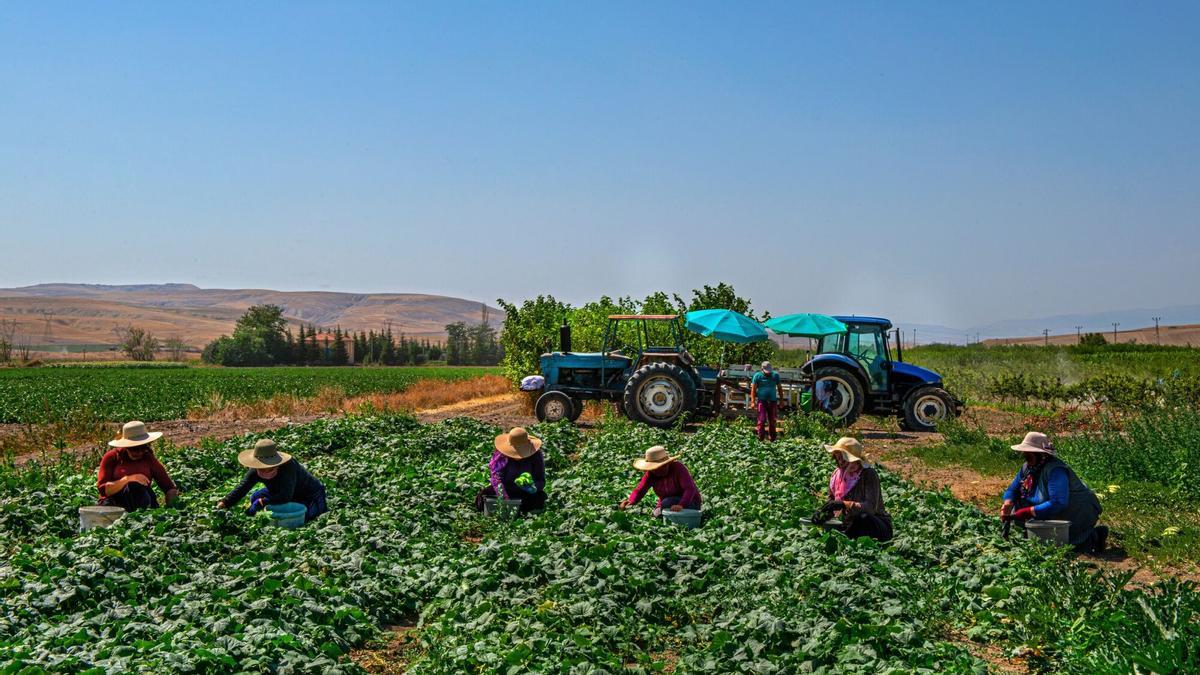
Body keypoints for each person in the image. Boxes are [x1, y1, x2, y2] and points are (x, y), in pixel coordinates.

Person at [1001, 432, 1107, 554]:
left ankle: (1094, 537)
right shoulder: (1028, 468)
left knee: (1064, 547)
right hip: (1054, 511)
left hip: (1076, 511)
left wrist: (1027, 512)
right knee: (1018, 505)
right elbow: (1012, 490)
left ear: (1041, 455)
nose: (1025, 459)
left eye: (1028, 456)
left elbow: (1058, 502)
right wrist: (1008, 503)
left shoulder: (1055, 470)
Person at [216, 439, 328, 523]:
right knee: (255, 497)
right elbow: (242, 488)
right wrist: (225, 502)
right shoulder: (256, 470)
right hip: (279, 491)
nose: (262, 469)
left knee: (305, 517)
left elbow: (285, 496)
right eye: (259, 466)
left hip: (308, 494)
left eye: (265, 467)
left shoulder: (287, 467)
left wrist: (264, 502)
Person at [97, 421, 180, 511]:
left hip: (142, 502)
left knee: (139, 490)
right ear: (126, 447)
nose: (140, 452)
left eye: (144, 447)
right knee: (133, 486)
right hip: (115, 504)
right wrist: (127, 479)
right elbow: (104, 490)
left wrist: (172, 510)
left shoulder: (148, 458)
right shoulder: (112, 457)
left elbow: (169, 488)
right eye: (134, 449)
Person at [824, 437, 893, 542]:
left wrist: (845, 504)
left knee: (862, 518)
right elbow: (832, 503)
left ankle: (850, 538)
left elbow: (870, 508)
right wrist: (823, 513)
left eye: (843, 458)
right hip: (849, 525)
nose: (840, 463)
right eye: (838, 458)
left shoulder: (868, 474)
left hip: (876, 525)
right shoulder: (836, 476)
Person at [476, 427, 547, 514]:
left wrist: (533, 488)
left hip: (526, 493)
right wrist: (503, 497)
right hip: (506, 490)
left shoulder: (536, 456)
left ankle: (522, 511)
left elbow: (541, 479)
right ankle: (516, 509)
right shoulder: (501, 456)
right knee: (482, 495)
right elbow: (497, 479)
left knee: (540, 497)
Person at [619, 445, 701, 517]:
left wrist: (681, 505)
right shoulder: (651, 474)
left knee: (666, 502)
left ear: (668, 463)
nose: (659, 470)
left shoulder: (678, 468)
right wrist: (630, 501)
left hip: (690, 503)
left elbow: (689, 489)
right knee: (656, 515)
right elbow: (640, 490)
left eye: (663, 466)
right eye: (655, 468)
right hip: (665, 504)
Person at [750, 361, 781, 441]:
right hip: (762, 401)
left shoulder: (775, 375)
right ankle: (761, 438)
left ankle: (772, 438)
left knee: (772, 420)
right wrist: (753, 402)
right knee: (761, 420)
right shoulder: (757, 376)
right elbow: (753, 389)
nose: (768, 373)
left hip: (772, 401)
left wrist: (781, 400)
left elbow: (780, 388)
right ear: (762, 369)